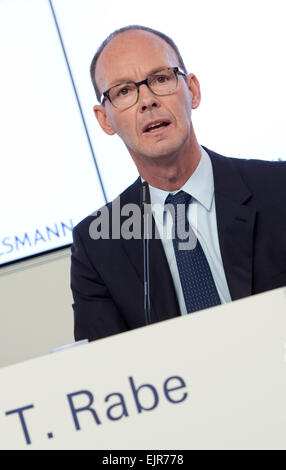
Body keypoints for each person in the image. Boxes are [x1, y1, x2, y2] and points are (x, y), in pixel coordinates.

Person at [71, 25, 286, 342]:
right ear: (105, 120)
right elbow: (107, 373)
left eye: (160, 79)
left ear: (193, 91)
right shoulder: (98, 244)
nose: (147, 100)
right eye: (124, 91)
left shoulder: (278, 189)